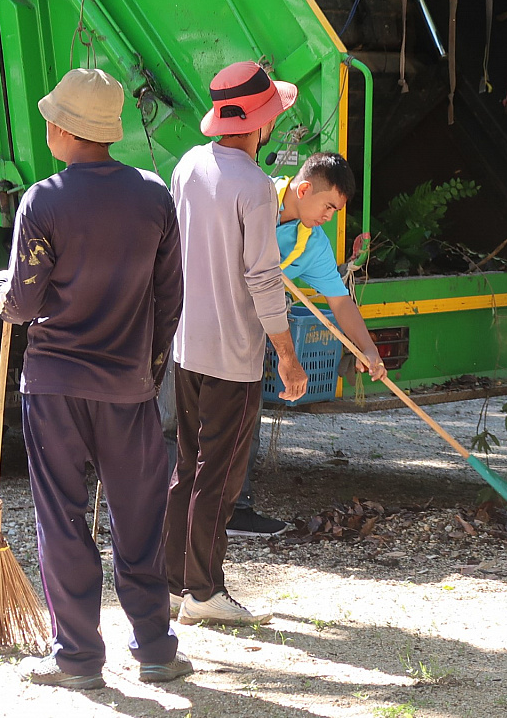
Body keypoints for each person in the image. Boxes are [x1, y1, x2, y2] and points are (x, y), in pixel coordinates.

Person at [0, 67, 190, 690]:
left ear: (63, 129)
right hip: (128, 389)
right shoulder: (153, 197)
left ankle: (77, 658)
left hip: (54, 387)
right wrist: (147, 370)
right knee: (141, 520)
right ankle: (155, 650)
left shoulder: (43, 200)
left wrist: (0, 291)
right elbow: (169, 299)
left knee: (63, 519)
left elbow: (22, 303)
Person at [164, 61, 308, 628]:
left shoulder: (187, 166)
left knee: (187, 467)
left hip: (186, 343)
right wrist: (287, 355)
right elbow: (264, 279)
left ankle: (172, 583)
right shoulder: (255, 186)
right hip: (233, 354)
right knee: (219, 476)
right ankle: (205, 589)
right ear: (261, 122)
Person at [226, 152, 388, 538]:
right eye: (328, 206)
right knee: (179, 419)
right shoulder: (254, 194)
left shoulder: (312, 244)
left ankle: (236, 510)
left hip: (249, 334)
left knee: (245, 420)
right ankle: (168, 509)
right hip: (201, 318)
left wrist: (368, 349)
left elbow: (340, 302)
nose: (329, 217)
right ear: (303, 190)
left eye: (336, 210)